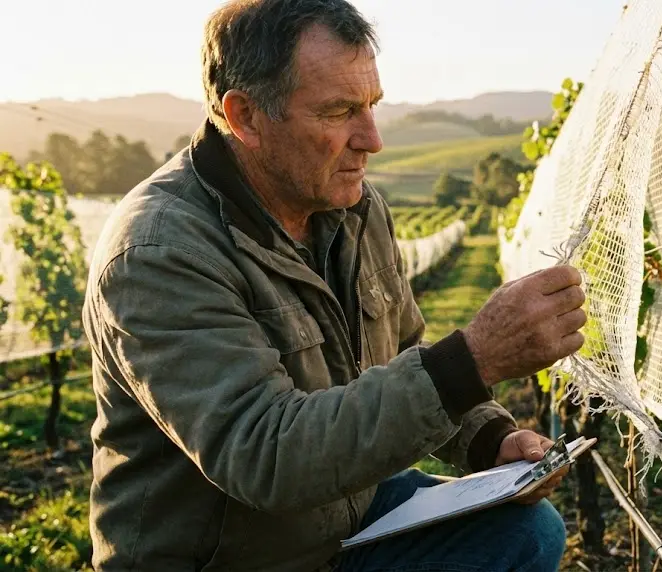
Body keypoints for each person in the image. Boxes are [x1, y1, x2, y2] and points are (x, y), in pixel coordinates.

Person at [80, 1, 588, 570]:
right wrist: (474, 360)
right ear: (246, 116)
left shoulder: (352, 207)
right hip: (226, 556)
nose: (371, 138)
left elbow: (400, 353)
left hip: (341, 518)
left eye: (371, 106)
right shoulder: (157, 254)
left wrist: (488, 438)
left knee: (527, 531)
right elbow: (264, 456)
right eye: (340, 110)